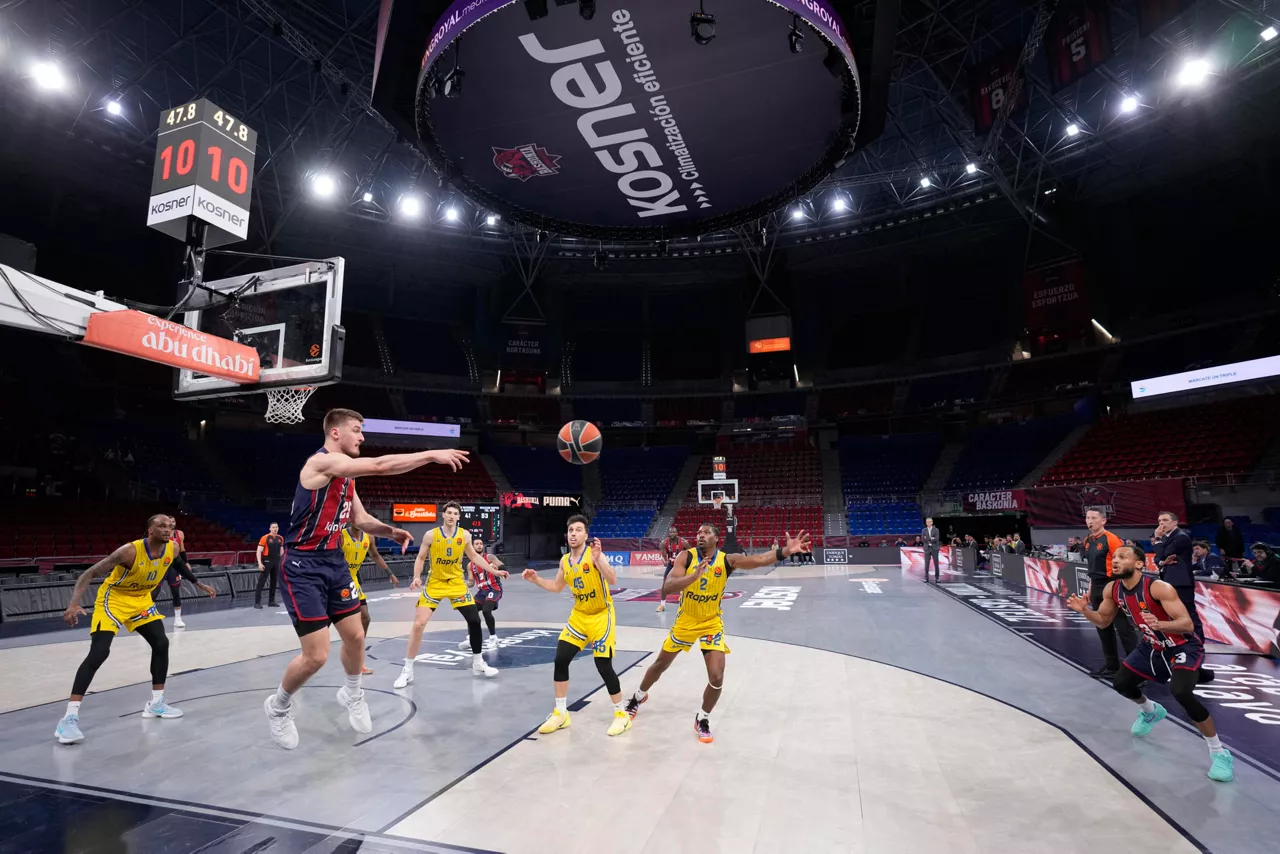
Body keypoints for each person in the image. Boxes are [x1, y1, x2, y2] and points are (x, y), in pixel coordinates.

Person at [264, 408, 469, 750]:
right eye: (356, 431)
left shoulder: (346, 477)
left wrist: (390, 530)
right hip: (303, 565)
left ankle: (352, 693)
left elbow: (358, 518)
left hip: (334, 561)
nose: (362, 437)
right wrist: (432, 453)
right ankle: (279, 706)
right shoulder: (320, 464)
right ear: (335, 434)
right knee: (316, 656)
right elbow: (380, 466)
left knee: (356, 634)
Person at [625, 525, 811, 744]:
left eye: (706, 533)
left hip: (711, 623)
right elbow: (668, 587)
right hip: (686, 621)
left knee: (717, 676)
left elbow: (759, 559)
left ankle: (702, 718)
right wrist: (693, 576)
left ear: (716, 538)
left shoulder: (727, 560)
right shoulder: (686, 556)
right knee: (660, 665)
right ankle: (638, 697)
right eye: (698, 533)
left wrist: (784, 552)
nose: (700, 535)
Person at [1066, 546, 1234, 783]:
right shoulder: (1112, 589)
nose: (1115, 561)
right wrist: (1085, 611)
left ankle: (1220, 753)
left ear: (1139, 564)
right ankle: (1150, 711)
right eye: (1114, 557)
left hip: (1181, 646)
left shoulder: (1158, 588)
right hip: (1152, 645)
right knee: (1122, 684)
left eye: (1123, 557)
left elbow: (1186, 624)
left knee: (1181, 692)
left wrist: (1161, 625)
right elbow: (1103, 622)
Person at [54, 514, 216, 744]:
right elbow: (88, 573)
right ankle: (68, 719)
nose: (167, 529)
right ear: (150, 530)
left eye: (170, 526)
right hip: (114, 600)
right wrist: (73, 604)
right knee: (100, 652)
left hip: (141, 600)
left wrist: (199, 583)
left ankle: (156, 704)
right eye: (161, 526)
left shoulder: (173, 548)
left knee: (161, 643)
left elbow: (177, 564)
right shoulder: (129, 551)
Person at [521, 515, 631, 737]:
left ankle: (622, 715)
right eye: (571, 530)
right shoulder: (564, 561)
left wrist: (599, 560)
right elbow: (556, 586)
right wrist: (536, 580)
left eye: (578, 530)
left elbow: (613, 580)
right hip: (579, 616)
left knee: (603, 664)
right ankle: (561, 713)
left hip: (601, 615)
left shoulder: (594, 555)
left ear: (586, 535)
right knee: (561, 659)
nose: (573, 533)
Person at [393, 502, 499, 688]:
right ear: (443, 515)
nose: (451, 515)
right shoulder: (431, 535)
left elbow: (474, 557)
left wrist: (494, 571)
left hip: (457, 584)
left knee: (474, 620)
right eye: (448, 512)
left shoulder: (464, 535)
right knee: (419, 624)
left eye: (455, 513)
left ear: (459, 517)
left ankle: (478, 663)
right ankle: (407, 670)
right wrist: (417, 577)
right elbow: (421, 558)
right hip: (435, 584)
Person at [1082, 507, 1138, 679]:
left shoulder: (1112, 539)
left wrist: (1123, 588)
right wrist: (1091, 590)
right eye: (1087, 517)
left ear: (1103, 521)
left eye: (1093, 518)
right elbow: (1092, 568)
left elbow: (1126, 564)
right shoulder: (1088, 540)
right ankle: (1112, 665)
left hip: (1113, 584)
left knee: (1124, 628)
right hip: (1097, 585)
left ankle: (1136, 671)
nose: (1090, 521)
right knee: (1102, 626)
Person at [342, 523, 400, 674]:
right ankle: (309, 653)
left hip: (352, 579)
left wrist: (390, 573)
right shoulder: (342, 536)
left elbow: (375, 555)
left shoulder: (369, 537)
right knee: (327, 620)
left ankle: (358, 654)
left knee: (365, 617)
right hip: (338, 578)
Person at [456, 536, 509, 651]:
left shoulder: (489, 557)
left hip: (494, 589)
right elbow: (471, 582)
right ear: (472, 546)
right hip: (482, 591)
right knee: (471, 611)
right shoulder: (470, 565)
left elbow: (502, 567)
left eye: (481, 543)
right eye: (477, 544)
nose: (479, 545)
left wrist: (498, 568)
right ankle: (471, 638)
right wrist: (463, 583)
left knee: (486, 610)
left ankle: (493, 637)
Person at [255, 522, 285, 609]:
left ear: (278, 528)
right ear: (270, 529)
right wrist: (260, 563)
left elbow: (282, 552)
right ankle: (257, 602)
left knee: (274, 582)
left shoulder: (280, 538)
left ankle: (271, 601)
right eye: (273, 527)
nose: (275, 529)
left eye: (276, 527)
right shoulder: (265, 538)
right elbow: (259, 551)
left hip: (276, 562)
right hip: (267, 561)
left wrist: (282, 562)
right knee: (262, 582)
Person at [657, 525, 686, 613]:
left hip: (681, 565)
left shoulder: (684, 542)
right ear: (668, 533)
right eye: (670, 532)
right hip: (671, 564)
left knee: (686, 583)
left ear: (677, 533)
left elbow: (691, 553)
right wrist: (665, 561)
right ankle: (662, 604)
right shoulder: (664, 543)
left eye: (674, 532)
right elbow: (663, 555)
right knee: (664, 584)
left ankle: (685, 600)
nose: (672, 533)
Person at [921, 517, 941, 582]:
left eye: (930, 522)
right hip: (927, 548)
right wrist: (931, 538)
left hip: (935, 548)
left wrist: (928, 539)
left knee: (936, 564)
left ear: (932, 522)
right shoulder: (924, 530)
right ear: (926, 523)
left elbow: (936, 539)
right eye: (927, 522)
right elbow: (923, 539)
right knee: (926, 564)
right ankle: (926, 578)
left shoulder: (936, 530)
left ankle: (937, 578)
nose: (929, 523)